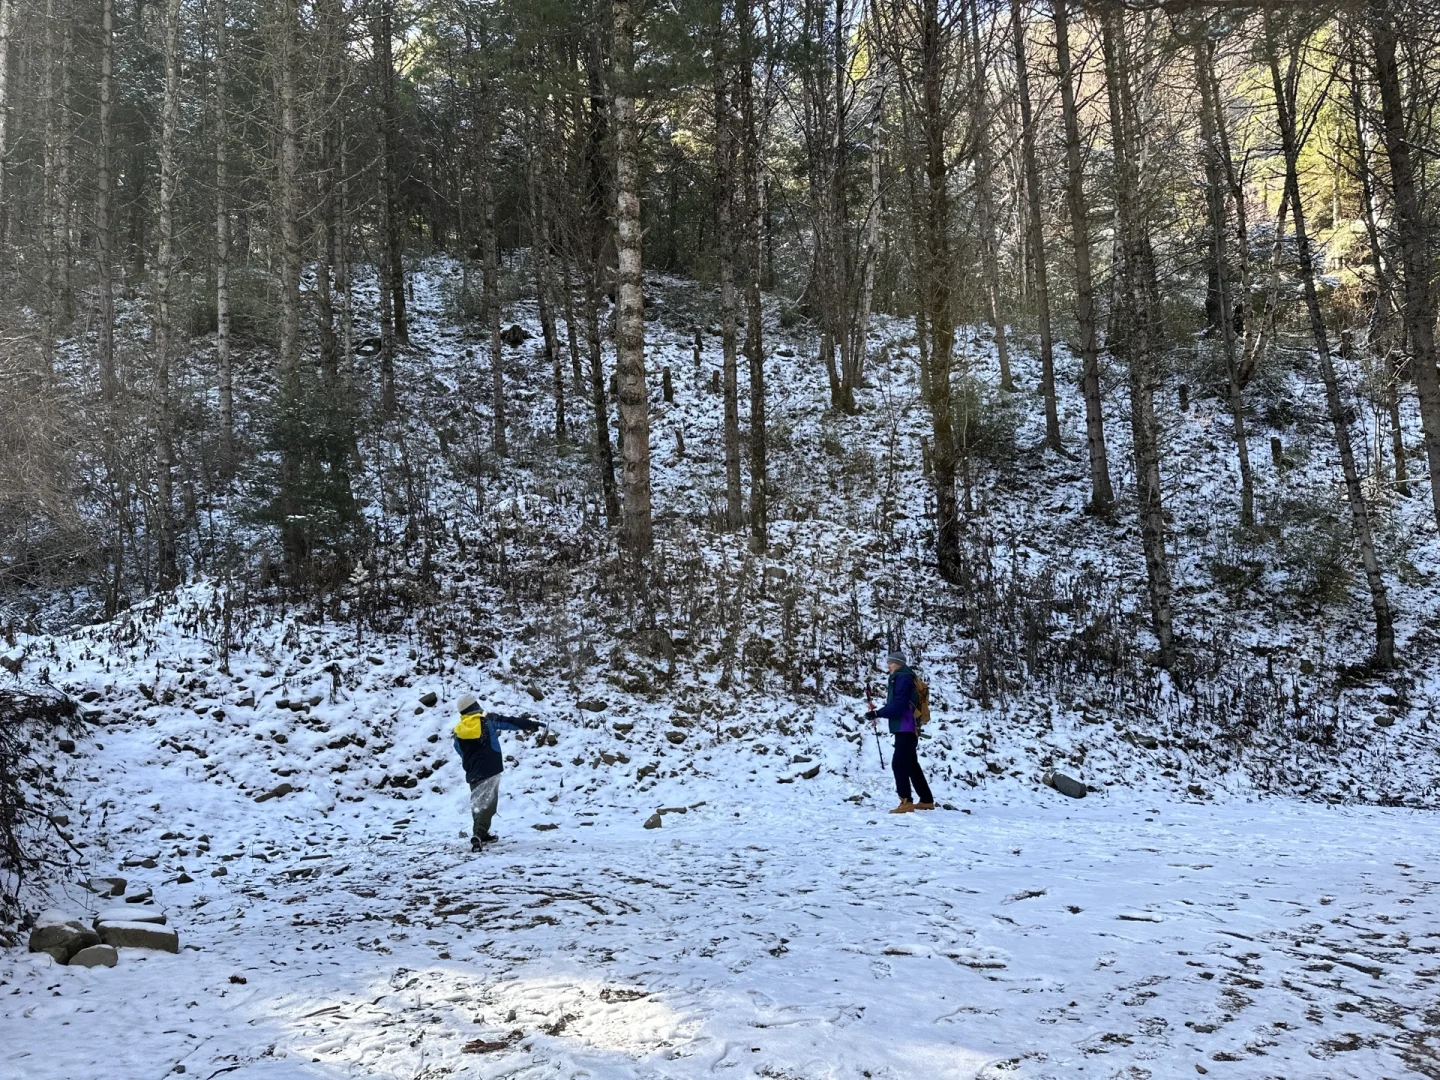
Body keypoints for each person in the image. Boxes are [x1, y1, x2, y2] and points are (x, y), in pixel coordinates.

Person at [452, 693, 543, 850]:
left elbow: (459, 750)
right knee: (488, 803)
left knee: (478, 801)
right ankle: (479, 834)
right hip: (490, 767)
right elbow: (509, 722)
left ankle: (481, 832)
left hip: (473, 770)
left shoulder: (458, 731)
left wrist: (470, 763)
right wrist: (530, 724)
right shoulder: (487, 721)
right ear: (474, 706)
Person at [865, 651, 935, 814]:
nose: (889, 665)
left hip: (905, 725)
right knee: (910, 764)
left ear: (899, 664)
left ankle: (906, 801)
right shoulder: (905, 677)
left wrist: (877, 713)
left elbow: (899, 705)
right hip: (909, 725)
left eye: (891, 663)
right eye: (888, 662)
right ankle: (926, 800)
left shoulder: (902, 678)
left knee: (899, 763)